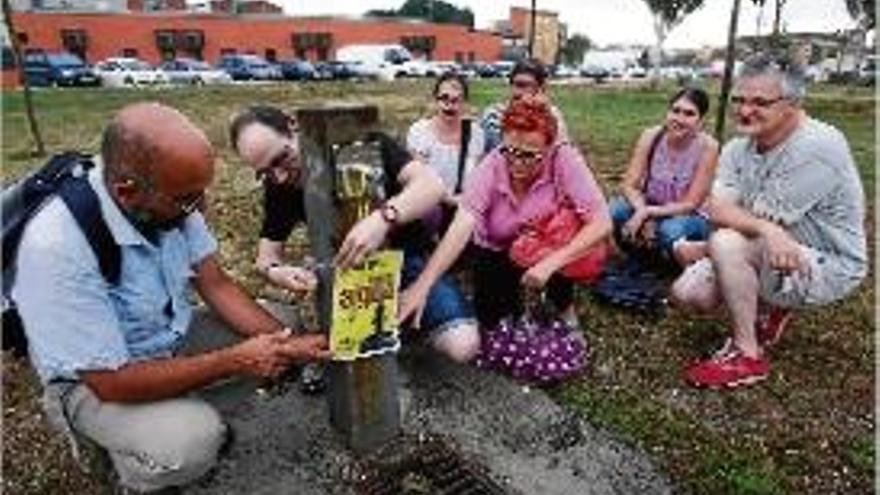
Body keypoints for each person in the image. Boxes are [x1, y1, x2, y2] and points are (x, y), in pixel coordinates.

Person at [10, 103, 331, 493]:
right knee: (191, 442)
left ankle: (172, 408)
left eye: (201, 194)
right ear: (127, 193)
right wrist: (234, 360)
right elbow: (111, 382)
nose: (201, 209)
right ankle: (130, 467)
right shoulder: (58, 246)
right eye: (188, 200)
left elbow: (215, 284)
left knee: (283, 325)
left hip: (165, 338)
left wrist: (290, 343)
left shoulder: (169, 193)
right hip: (93, 381)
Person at [671, 55, 867, 389]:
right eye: (739, 100)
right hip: (771, 247)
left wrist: (711, 245)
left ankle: (747, 356)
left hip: (830, 262)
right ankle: (770, 307)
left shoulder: (819, 145)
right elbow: (718, 210)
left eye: (760, 102)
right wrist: (765, 229)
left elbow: (741, 223)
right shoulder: (737, 147)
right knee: (689, 293)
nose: (745, 111)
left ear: (793, 103)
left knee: (726, 244)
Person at [229, 105, 480, 363]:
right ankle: (391, 326)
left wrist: (383, 219)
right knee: (349, 359)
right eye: (265, 172)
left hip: (408, 260)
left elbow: (431, 186)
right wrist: (277, 272)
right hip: (346, 274)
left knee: (462, 345)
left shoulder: (363, 145)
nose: (279, 176)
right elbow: (265, 257)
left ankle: (408, 321)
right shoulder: (279, 185)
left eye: (282, 158)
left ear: (293, 127)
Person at [400, 98, 612, 330]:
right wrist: (423, 286)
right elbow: (461, 226)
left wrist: (551, 263)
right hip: (496, 247)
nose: (517, 163)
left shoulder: (564, 158)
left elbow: (601, 222)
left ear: (550, 148)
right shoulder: (491, 167)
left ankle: (563, 304)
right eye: (509, 151)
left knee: (565, 241)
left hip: (543, 242)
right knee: (493, 320)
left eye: (529, 155)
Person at [609, 87, 719, 265]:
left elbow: (691, 204)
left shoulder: (708, 147)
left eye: (689, 114)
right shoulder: (651, 136)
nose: (679, 119)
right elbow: (629, 184)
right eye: (675, 111)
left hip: (687, 214)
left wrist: (647, 213)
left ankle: (673, 262)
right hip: (651, 203)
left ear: (701, 122)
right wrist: (641, 210)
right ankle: (639, 252)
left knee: (669, 230)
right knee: (614, 211)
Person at [407, 71, 485, 235]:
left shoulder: (475, 133)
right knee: (431, 215)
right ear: (435, 100)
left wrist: (466, 202)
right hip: (429, 205)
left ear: (465, 103)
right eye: (444, 98)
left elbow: (477, 180)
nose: (450, 105)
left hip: (463, 207)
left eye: (457, 100)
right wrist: (447, 199)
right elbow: (419, 181)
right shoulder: (420, 132)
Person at [479, 58, 570, 154]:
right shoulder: (494, 115)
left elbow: (561, 154)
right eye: (515, 85)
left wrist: (542, 114)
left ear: (540, 89)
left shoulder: (552, 116)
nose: (517, 92)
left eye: (524, 85)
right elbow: (495, 154)